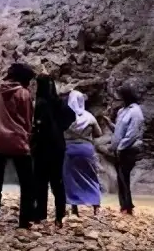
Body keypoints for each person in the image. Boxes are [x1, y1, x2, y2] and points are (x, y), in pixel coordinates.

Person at [0, 62, 36, 228]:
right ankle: (25, 220)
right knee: (27, 184)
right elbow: (27, 120)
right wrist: (28, 135)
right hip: (17, 142)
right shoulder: (23, 93)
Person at [30, 75, 67, 225]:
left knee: (41, 180)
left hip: (43, 146)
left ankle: (40, 213)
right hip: (59, 146)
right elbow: (70, 117)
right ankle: (60, 215)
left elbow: (39, 125)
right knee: (57, 181)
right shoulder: (60, 103)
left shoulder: (40, 103)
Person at [62, 89, 102, 217]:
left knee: (70, 178)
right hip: (86, 149)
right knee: (91, 176)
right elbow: (98, 133)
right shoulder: (89, 116)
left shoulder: (65, 116)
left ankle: (74, 208)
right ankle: (96, 207)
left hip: (69, 149)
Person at [112, 82, 145, 216]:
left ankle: (127, 206)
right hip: (120, 148)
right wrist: (110, 124)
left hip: (129, 148)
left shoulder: (135, 111)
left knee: (124, 176)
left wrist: (120, 147)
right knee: (121, 177)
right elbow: (120, 131)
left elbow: (132, 133)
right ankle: (124, 205)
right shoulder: (123, 111)